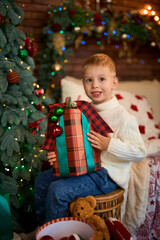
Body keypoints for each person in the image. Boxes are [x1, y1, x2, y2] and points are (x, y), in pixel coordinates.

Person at [34, 53, 146, 226]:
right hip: (84, 168)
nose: (95, 85)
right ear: (83, 83)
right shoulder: (82, 111)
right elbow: (74, 144)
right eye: (89, 80)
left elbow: (139, 151)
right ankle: (42, 229)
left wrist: (109, 144)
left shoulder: (124, 117)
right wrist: (59, 158)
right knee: (42, 181)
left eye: (102, 79)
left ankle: (55, 235)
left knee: (58, 190)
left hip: (107, 176)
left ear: (114, 82)